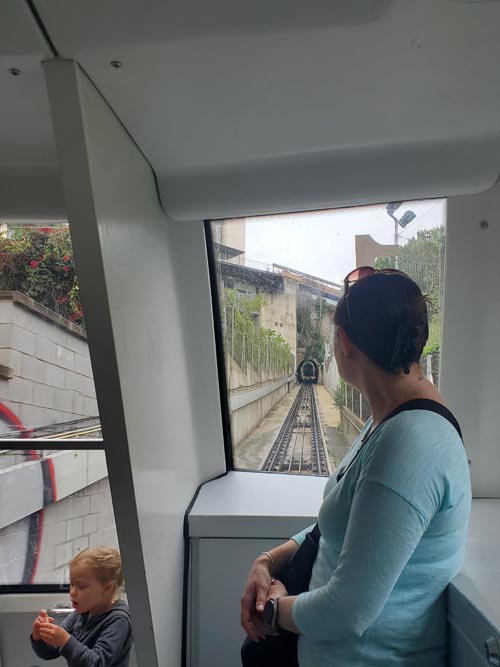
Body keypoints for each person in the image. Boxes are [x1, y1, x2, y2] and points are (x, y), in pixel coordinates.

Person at [241, 266, 471, 667]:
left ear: (344, 343)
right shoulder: (386, 421)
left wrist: (274, 611)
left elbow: (348, 612)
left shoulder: (409, 443)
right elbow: (343, 523)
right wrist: (267, 561)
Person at [31, 546, 133, 667]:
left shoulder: (118, 620)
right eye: (71, 584)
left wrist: (65, 640)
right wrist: (40, 638)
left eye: (81, 586)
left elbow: (97, 663)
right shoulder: (81, 613)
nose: (72, 592)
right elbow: (50, 651)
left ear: (107, 588)